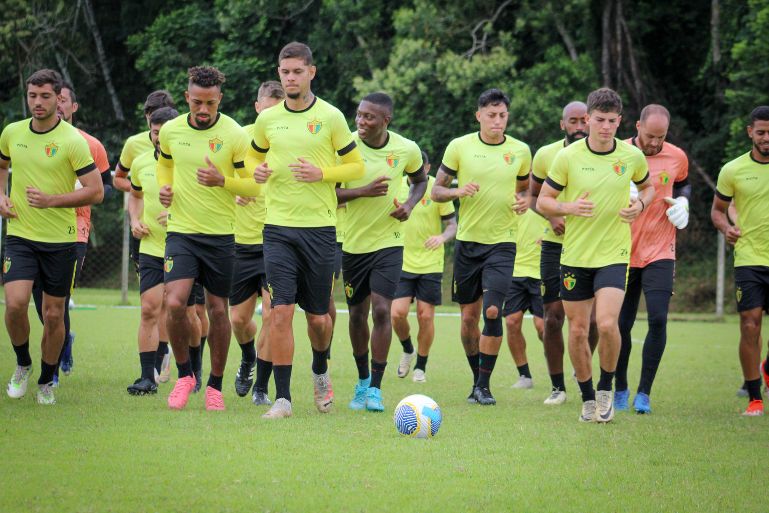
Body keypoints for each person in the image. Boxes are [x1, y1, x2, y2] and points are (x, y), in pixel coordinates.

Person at [249, 42, 364, 419]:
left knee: (318, 319)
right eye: (285, 72)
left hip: (319, 231)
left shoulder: (331, 117)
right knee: (279, 313)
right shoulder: (268, 120)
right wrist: (257, 171)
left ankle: (320, 369)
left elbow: (356, 167)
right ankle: (283, 398)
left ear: (311, 72)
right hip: (278, 228)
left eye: (298, 71)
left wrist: (323, 174)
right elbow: (253, 155)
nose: (291, 78)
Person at [537, 87, 653, 423]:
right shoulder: (568, 157)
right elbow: (543, 201)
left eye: (611, 121)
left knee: (605, 324)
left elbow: (648, 187)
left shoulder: (631, 157)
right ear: (587, 119)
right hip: (574, 256)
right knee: (576, 330)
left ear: (621, 122)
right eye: (599, 120)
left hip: (614, 254)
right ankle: (587, 397)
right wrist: (568, 207)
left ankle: (605, 388)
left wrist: (640, 205)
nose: (605, 127)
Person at [157, 66, 257, 411]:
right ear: (187, 98)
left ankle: (215, 385)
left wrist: (223, 182)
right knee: (174, 303)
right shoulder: (170, 131)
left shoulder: (235, 134)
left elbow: (253, 186)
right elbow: (165, 165)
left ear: (220, 101)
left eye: (210, 104)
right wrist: (164, 189)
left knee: (217, 310)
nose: (203, 110)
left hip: (221, 236)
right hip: (182, 232)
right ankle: (185, 376)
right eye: (197, 102)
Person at [1, 69, 103, 405]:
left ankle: (46, 380)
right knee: (15, 304)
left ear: (58, 99)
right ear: (26, 96)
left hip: (61, 240)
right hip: (20, 235)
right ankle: (23, 364)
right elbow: (2, 166)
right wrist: (1, 195)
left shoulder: (72, 140)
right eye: (32, 95)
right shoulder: (12, 133)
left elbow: (96, 191)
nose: (38, 102)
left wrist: (52, 201)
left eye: (45, 96)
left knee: (54, 315)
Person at [431, 88, 531, 406]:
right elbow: (436, 192)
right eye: (491, 115)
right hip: (467, 245)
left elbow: (525, 190)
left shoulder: (520, 151)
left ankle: (484, 386)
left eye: (502, 115)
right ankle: (476, 379)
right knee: (468, 319)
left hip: (502, 243)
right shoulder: (459, 147)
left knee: (492, 311)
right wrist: (458, 191)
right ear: (479, 116)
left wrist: (523, 202)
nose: (497, 121)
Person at [337, 92, 427, 412]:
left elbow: (420, 180)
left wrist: (410, 205)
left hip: (389, 242)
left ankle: (375, 388)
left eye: (369, 117)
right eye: (359, 115)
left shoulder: (406, 149)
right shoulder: (344, 146)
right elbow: (326, 193)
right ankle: (361, 381)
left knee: (381, 311)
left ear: (385, 120)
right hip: (352, 244)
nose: (361, 121)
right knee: (358, 314)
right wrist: (363, 191)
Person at [29, 81, 113, 385]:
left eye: (64, 100)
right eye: (56, 99)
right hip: (33, 229)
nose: (59, 105)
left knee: (59, 301)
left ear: (73, 107)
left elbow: (106, 187)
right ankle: (62, 341)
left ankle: (51, 368)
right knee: (41, 301)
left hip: (74, 230)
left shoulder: (89, 144)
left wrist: (82, 189)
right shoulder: (30, 137)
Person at [613, 104, 690, 414]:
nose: (655, 143)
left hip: (660, 250)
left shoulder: (677, 156)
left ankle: (644, 393)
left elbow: (683, 182)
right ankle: (620, 388)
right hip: (621, 249)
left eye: (661, 137)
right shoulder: (618, 154)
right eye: (650, 136)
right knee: (621, 324)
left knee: (658, 318)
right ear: (636, 127)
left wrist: (684, 202)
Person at [529, 101, 598, 405]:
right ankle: (557, 387)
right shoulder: (546, 155)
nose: (580, 126)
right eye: (574, 121)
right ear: (563, 124)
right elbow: (532, 196)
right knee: (553, 317)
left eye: (584, 120)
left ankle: (581, 364)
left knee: (593, 321)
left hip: (593, 246)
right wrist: (552, 216)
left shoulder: (604, 154)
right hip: (555, 246)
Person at [711, 105, 769, 417]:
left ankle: (766, 368)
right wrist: (726, 228)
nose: (766, 138)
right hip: (749, 259)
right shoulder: (733, 170)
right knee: (750, 325)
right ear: (750, 132)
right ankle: (755, 397)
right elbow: (717, 211)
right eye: (761, 132)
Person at [231, 80, 284, 406]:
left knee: (274, 316)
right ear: (257, 107)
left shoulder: (291, 141)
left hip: (276, 240)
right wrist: (234, 189)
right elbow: (218, 176)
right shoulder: (240, 138)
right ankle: (248, 357)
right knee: (238, 319)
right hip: (240, 242)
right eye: (268, 110)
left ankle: (262, 387)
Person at [126, 106, 179, 394]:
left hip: (184, 246)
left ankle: (188, 370)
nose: (160, 138)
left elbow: (208, 200)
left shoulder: (188, 163)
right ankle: (148, 376)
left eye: (165, 132)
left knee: (178, 311)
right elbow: (135, 197)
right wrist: (135, 220)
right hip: (150, 246)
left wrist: (178, 217)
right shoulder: (141, 162)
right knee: (149, 308)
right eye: (156, 132)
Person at [391, 150, 457, 383]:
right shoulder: (395, 185)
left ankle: (421, 366)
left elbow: (451, 225)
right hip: (401, 259)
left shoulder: (435, 191)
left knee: (425, 316)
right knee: (396, 314)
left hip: (430, 262)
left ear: (427, 168)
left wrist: (442, 237)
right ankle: (408, 349)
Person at [502, 209, 546, 389]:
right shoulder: (511, 194)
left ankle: (556, 368)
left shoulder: (549, 192)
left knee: (543, 327)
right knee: (512, 322)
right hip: (514, 272)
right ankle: (524, 376)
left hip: (541, 271)